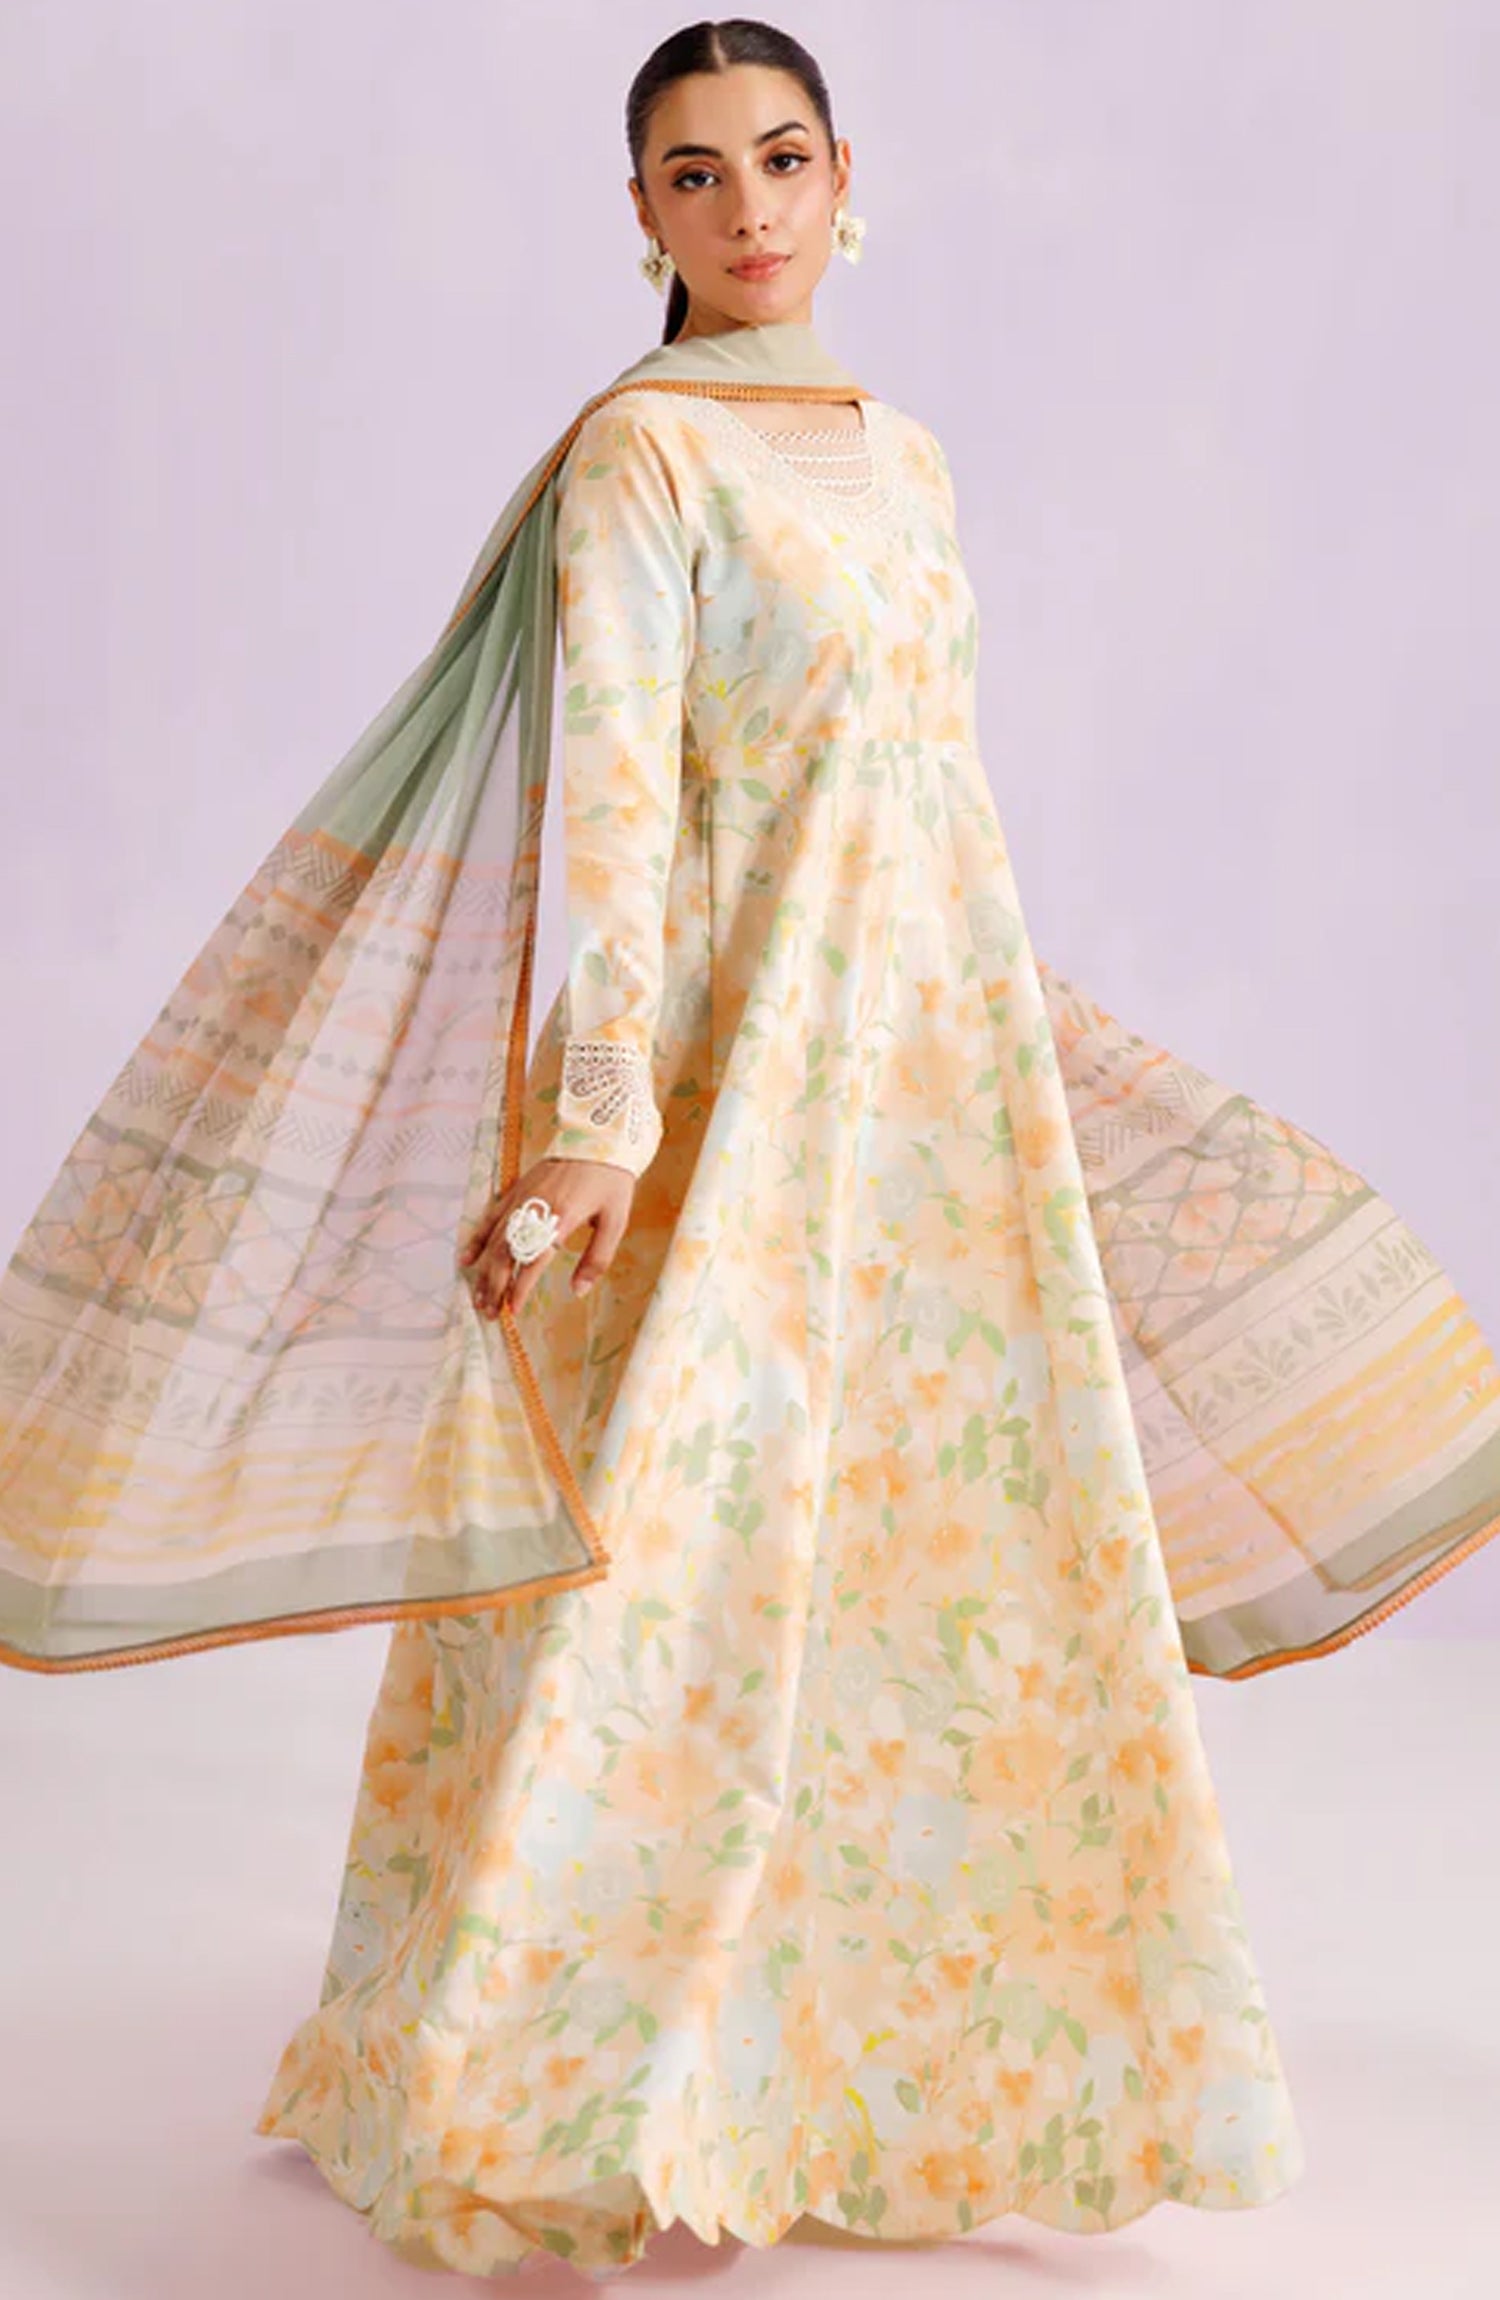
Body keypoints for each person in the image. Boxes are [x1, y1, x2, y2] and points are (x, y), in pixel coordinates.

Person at [4, 12, 1498, 2280]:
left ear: (843, 174)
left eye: (781, 159)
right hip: (726, 1076)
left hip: (930, 1072)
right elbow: (619, 794)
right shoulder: (641, 460)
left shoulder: (909, 458)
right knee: (677, 1563)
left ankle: (875, 2052)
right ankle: (581, 2065)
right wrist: (601, 1126)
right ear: (640, 213)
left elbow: (928, 792)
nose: (748, 208)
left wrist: (995, 1025)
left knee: (933, 1553)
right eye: (694, 175)